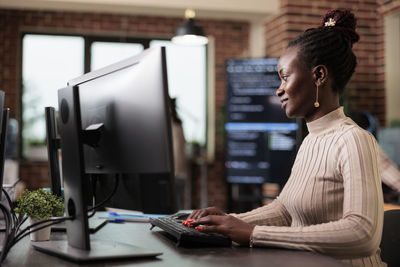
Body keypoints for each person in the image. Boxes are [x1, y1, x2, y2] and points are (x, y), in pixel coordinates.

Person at [188, 9, 386, 267]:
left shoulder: (353, 140)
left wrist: (253, 234)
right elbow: (284, 209)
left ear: (319, 76)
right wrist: (229, 222)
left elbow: (362, 234)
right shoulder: (311, 141)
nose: (279, 89)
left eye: (285, 76)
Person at [170, 97, 188, 210]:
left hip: (173, 172)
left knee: (172, 205)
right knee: (177, 203)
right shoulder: (179, 123)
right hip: (181, 172)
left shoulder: (167, 123)